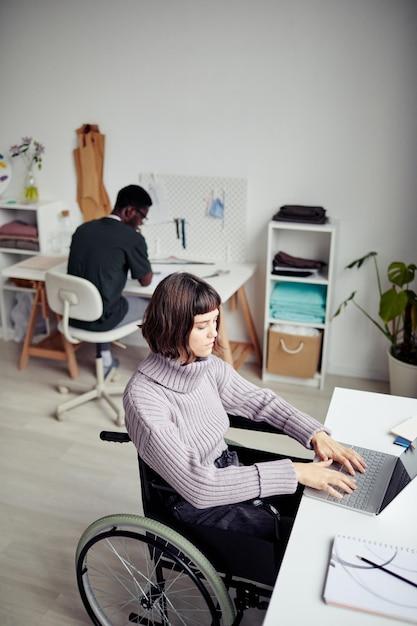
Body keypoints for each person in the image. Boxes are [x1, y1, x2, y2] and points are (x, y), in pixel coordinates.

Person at [123, 272, 367, 556]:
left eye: (215, 321)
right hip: (192, 502)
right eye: (203, 326)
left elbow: (259, 401)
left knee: (323, 500)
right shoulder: (144, 399)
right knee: (299, 533)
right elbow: (199, 486)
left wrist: (315, 434)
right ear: (172, 327)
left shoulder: (207, 366)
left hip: (228, 468)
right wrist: (294, 471)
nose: (214, 333)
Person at [68, 184, 153, 376]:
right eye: (142, 217)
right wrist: (138, 244)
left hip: (72, 315)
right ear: (129, 211)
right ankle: (161, 369)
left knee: (105, 297)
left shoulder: (82, 229)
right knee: (157, 306)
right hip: (102, 319)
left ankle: (105, 360)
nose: (142, 223)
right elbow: (145, 281)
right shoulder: (132, 237)